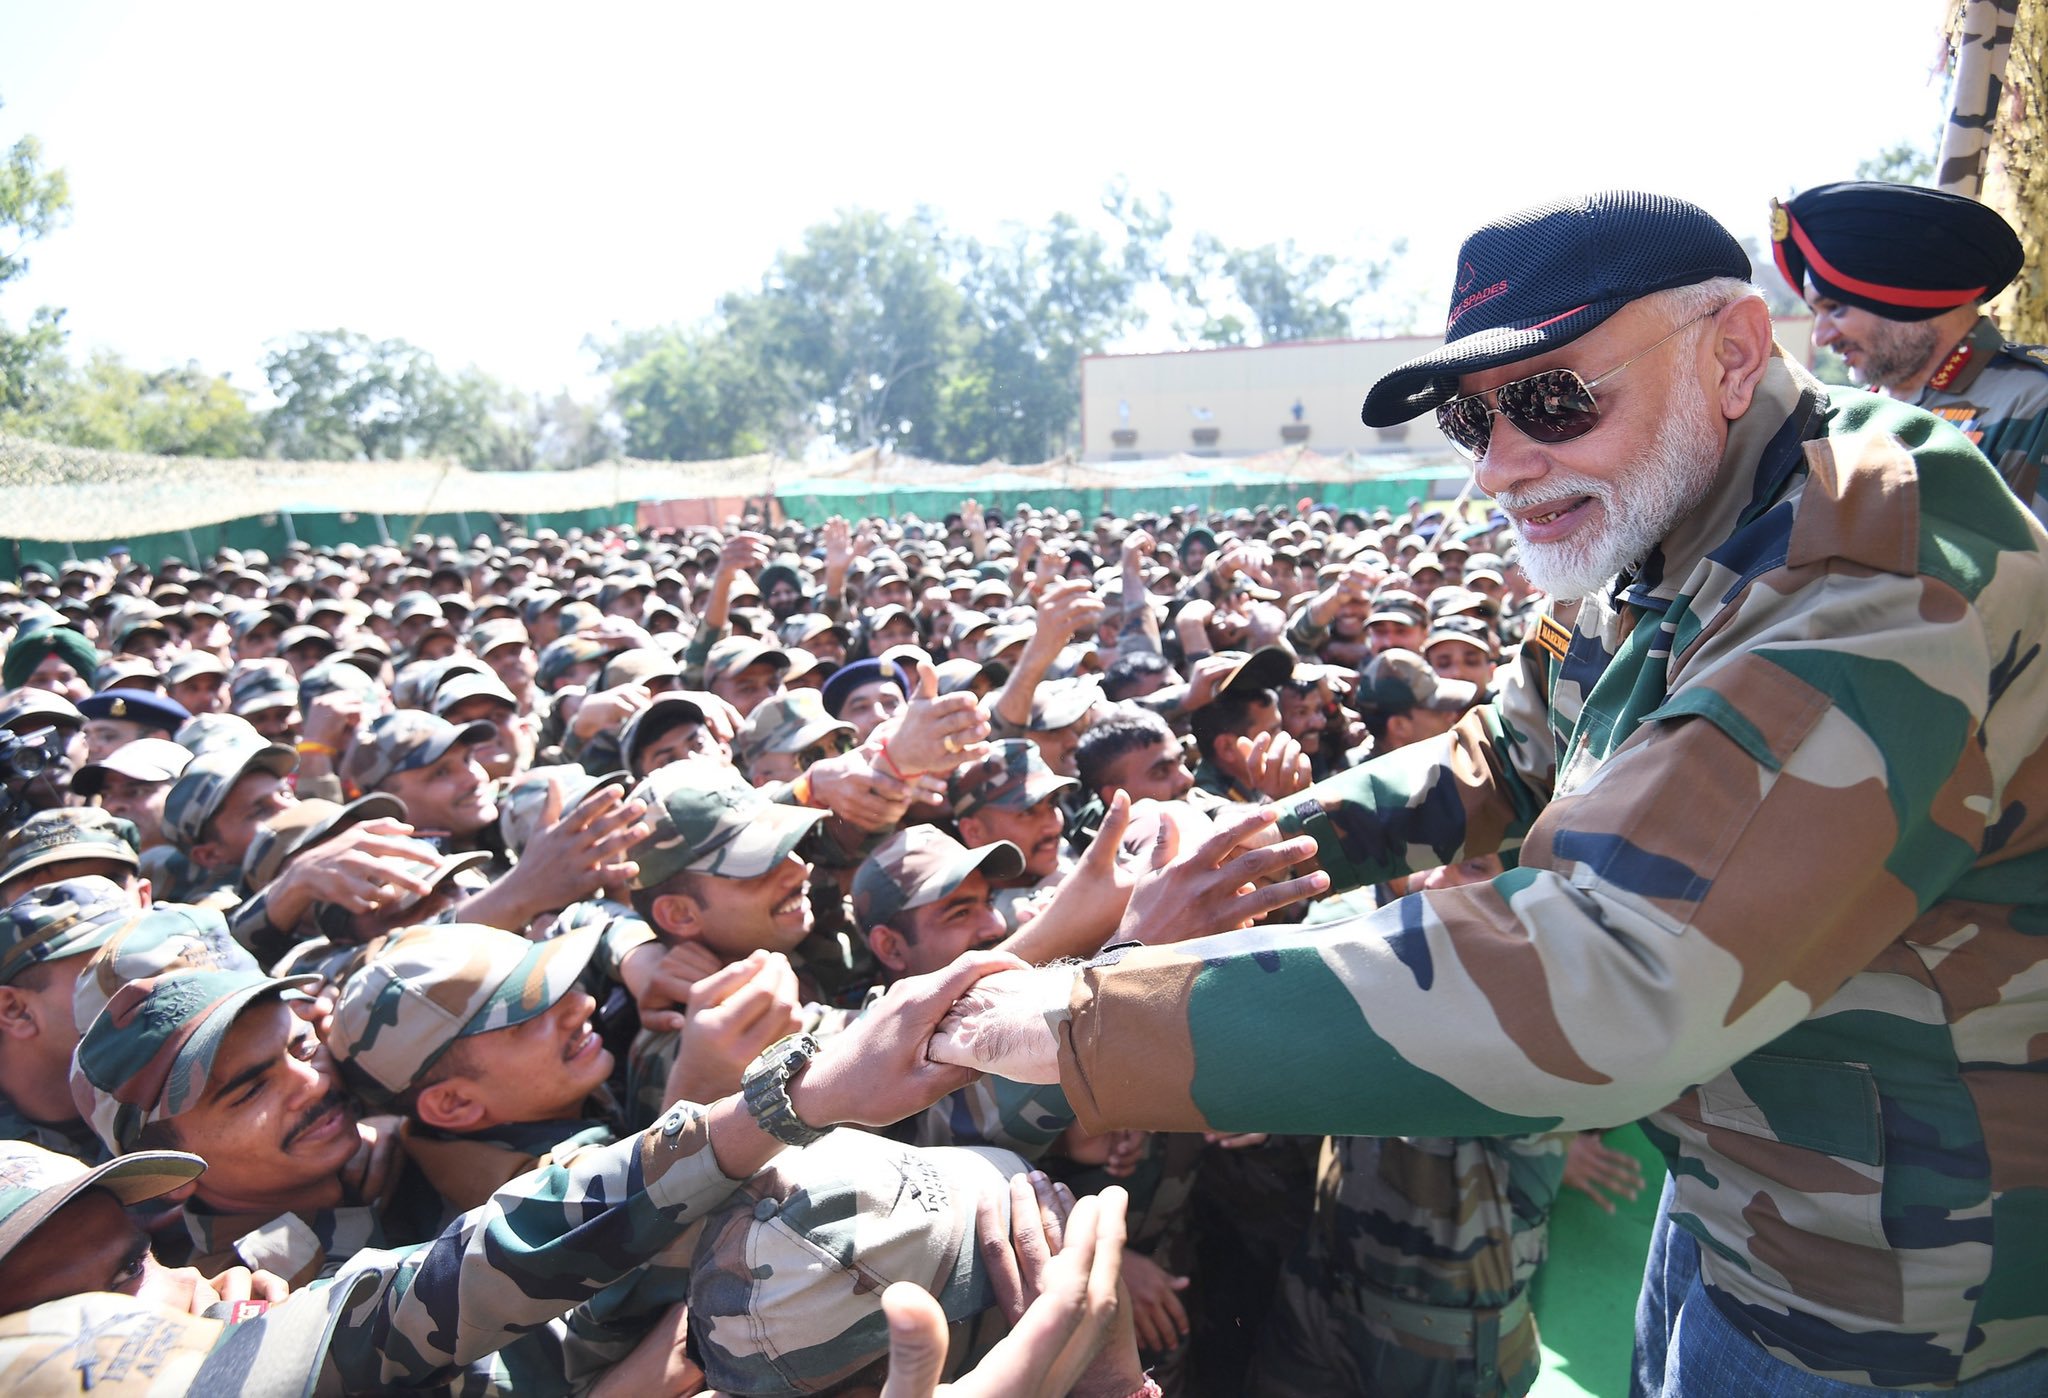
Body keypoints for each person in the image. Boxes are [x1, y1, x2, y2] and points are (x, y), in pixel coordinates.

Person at [932, 191, 2048, 1394]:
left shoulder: (1873, 565)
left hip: (1902, 1282)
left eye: (1555, 399)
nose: (1504, 466)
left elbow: (1615, 969)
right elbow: (1501, 757)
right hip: (1747, 1177)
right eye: (1473, 421)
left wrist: (1093, 1024)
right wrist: (1247, 845)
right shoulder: (1659, 524)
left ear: (1730, 353)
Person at [1772, 180, 2046, 523]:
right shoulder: (1845, 414)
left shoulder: (2034, 402)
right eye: (1816, 313)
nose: (1821, 337)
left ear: (1906, 296)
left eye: (1836, 307)